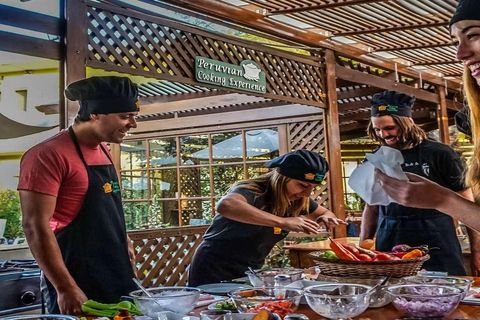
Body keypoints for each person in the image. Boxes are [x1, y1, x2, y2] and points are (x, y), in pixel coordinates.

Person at [374, 0, 480, 275]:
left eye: (474, 35)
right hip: (390, 244)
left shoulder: (440, 152)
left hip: (438, 246)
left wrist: (442, 200)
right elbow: (371, 205)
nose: (460, 54)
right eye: (456, 40)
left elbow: (463, 199)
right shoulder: (378, 158)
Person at [18, 76, 139, 314]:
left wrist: (126, 244)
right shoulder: (47, 155)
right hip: (76, 279)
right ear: (94, 114)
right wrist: (65, 287)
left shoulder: (104, 149)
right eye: (125, 116)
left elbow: (110, 210)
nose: (132, 124)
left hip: (117, 273)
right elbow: (35, 226)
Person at [188, 150, 346, 286]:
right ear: (283, 178)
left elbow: (326, 212)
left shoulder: (297, 200)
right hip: (213, 266)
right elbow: (226, 205)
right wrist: (283, 222)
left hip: (251, 270)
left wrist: (326, 217)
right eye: (303, 185)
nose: (307, 194)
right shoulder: (253, 191)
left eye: (312, 188)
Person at [360, 90, 476, 275]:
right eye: (377, 130)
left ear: (408, 122)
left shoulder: (440, 153)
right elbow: (372, 207)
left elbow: (467, 203)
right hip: (390, 237)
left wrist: (477, 252)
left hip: (437, 237)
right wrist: (361, 249)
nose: (383, 135)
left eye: (389, 128)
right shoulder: (374, 159)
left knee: (444, 291)